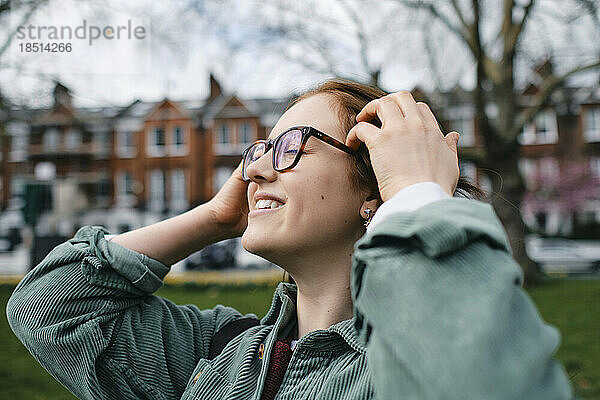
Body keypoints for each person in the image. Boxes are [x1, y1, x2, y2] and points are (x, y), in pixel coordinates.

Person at [7, 80, 573, 400]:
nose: (253, 171)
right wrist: (213, 218)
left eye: (291, 146)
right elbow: (50, 310)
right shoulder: (222, 353)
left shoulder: (392, 368)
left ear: (374, 191)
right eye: (257, 152)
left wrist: (418, 194)